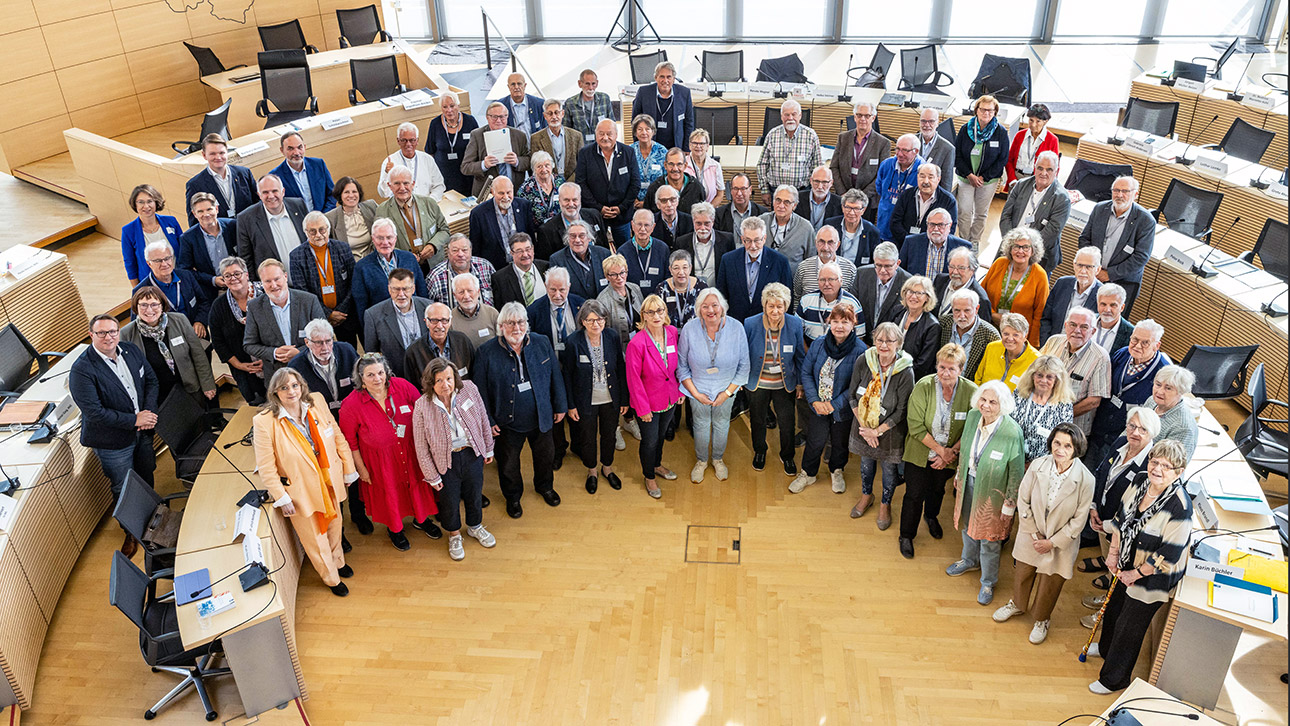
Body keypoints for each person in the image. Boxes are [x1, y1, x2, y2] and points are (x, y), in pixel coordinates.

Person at [1089, 440, 1193, 695]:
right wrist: (1112, 557)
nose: (1157, 469)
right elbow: (1120, 519)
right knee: (1113, 609)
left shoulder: (1180, 507)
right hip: (1125, 562)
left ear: (1178, 472)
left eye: (1166, 466)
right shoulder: (1140, 480)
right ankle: (1104, 649)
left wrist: (1134, 574)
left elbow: (1166, 556)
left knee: (1129, 628)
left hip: (1152, 577)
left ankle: (1114, 679)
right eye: (1154, 461)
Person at [253, 368, 358, 597]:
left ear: (302, 386)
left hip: (328, 480)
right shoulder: (264, 422)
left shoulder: (316, 401)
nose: (291, 391)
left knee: (335, 525)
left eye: (295, 385)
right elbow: (267, 467)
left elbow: (337, 435)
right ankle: (331, 578)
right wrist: (281, 497)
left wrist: (348, 469)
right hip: (300, 491)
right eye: (284, 387)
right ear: (275, 392)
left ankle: (338, 561)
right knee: (315, 538)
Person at [992, 422, 1094, 644]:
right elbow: (1023, 499)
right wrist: (1033, 533)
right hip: (1031, 534)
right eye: (1057, 443)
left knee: (1050, 582)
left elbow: (1079, 521)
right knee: (1023, 573)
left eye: (1067, 446)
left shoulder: (1086, 479)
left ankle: (1041, 618)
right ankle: (1017, 605)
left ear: (1076, 448)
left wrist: (1052, 543)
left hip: (1060, 543)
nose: (1060, 449)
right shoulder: (1037, 465)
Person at [70, 314, 159, 549]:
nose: (109, 337)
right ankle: (131, 532)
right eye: (101, 333)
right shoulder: (81, 370)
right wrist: (134, 420)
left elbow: (151, 381)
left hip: (143, 430)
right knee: (123, 486)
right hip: (113, 442)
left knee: (146, 472)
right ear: (91, 336)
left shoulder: (129, 350)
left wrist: (148, 413)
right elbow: (95, 413)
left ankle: (154, 519)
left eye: (112, 332)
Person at [473, 302, 567, 519]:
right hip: (506, 423)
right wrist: (488, 420)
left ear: (527, 323)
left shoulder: (542, 342)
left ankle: (545, 487)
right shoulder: (486, 352)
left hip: (541, 417)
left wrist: (560, 405)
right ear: (501, 326)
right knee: (508, 464)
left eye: (521, 322)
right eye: (511, 323)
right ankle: (513, 497)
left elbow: (555, 376)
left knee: (545, 457)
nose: (517, 328)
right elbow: (480, 391)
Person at [339, 353, 440, 551]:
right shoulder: (351, 404)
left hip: (412, 454)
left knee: (417, 489)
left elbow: (424, 411)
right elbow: (350, 443)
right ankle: (395, 530)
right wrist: (362, 470)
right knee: (391, 496)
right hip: (380, 463)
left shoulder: (402, 386)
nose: (377, 379)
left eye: (380, 373)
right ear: (360, 378)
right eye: (370, 375)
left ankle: (421, 520)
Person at [946, 380, 1027, 606]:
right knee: (967, 525)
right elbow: (965, 450)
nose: (986, 405)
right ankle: (969, 560)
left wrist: (1010, 505)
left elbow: (1016, 472)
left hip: (994, 492)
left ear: (1003, 405)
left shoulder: (1012, 432)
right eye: (983, 399)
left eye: (993, 402)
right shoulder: (973, 417)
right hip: (969, 482)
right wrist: (960, 475)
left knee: (990, 538)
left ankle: (988, 581)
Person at [412, 358, 497, 561]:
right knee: (449, 501)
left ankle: (475, 527)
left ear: (455, 377)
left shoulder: (469, 389)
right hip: (445, 461)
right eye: (439, 380)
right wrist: (431, 475)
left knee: (474, 494)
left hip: (471, 453)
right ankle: (454, 535)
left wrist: (488, 448)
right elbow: (421, 445)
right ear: (430, 382)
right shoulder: (422, 405)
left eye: (449, 378)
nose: (446, 385)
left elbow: (483, 419)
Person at [900, 343, 976, 559]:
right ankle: (906, 535)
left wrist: (950, 452)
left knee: (937, 489)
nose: (945, 373)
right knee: (914, 494)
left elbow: (972, 426)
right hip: (921, 450)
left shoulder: (971, 391)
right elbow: (914, 425)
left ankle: (931, 517)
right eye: (942, 367)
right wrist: (940, 451)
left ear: (961, 369)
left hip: (952, 453)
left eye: (952, 368)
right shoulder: (923, 386)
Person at [847, 322, 915, 530]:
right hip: (863, 428)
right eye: (879, 340)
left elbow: (902, 410)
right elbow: (852, 397)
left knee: (888, 470)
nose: (884, 345)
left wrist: (877, 431)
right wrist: (866, 430)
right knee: (866, 465)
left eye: (890, 340)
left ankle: (885, 504)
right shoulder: (863, 360)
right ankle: (867, 496)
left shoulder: (905, 372)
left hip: (890, 432)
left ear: (899, 344)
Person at [679, 288, 750, 483]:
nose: (710, 310)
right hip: (697, 389)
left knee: (721, 424)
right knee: (700, 425)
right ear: (699, 309)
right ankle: (701, 461)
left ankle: (718, 459)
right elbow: (682, 366)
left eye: (715, 305)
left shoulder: (737, 328)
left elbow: (744, 366)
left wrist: (727, 393)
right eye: (705, 306)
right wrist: (695, 393)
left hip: (726, 389)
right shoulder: (689, 329)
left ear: (723, 307)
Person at [793, 302, 865, 494]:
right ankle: (808, 473)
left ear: (853, 325)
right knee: (814, 441)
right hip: (817, 406)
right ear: (829, 323)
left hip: (842, 409)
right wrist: (815, 401)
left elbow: (856, 386)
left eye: (845, 321)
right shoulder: (818, 344)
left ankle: (837, 470)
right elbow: (806, 373)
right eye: (835, 321)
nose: (839, 326)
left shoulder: (860, 351)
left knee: (839, 443)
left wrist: (834, 405)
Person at [562, 300, 628, 494]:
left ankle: (607, 468)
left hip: (610, 398)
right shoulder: (573, 341)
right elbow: (567, 375)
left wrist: (624, 399)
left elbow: (620, 368)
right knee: (588, 438)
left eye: (599, 319)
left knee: (609, 436)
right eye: (590, 320)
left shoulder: (612, 336)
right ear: (582, 321)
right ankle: (592, 471)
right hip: (585, 401)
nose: (596, 324)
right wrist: (571, 405)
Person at [743, 283, 806, 475]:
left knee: (787, 423)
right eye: (771, 306)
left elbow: (800, 356)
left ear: (786, 306)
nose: (775, 310)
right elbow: (743, 354)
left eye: (780, 306)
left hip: (784, 384)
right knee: (758, 420)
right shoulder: (750, 323)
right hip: (757, 382)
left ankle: (787, 455)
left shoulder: (794, 323)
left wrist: (800, 383)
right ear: (764, 306)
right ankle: (760, 451)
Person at [1086, 320, 1169, 465]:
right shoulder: (1122, 354)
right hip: (1099, 429)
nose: (1137, 346)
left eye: (1145, 343)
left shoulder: (1163, 373)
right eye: (1135, 339)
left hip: (1124, 439)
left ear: (1157, 346)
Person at [625, 294, 683, 497]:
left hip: (670, 399)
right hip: (648, 404)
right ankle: (649, 476)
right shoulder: (637, 343)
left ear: (665, 313)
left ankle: (657, 465)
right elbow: (634, 380)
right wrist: (643, 409)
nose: (656, 315)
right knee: (649, 441)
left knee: (660, 437)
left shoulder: (672, 332)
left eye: (660, 310)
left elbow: (677, 367)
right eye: (650, 312)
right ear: (644, 315)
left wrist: (679, 390)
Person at [120, 287, 216, 406]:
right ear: (136, 307)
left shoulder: (179, 320)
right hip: (156, 397)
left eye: (154, 304)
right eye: (143, 305)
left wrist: (208, 385)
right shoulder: (126, 333)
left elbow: (198, 355)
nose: (149, 310)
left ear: (162, 305)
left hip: (188, 387)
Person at [528, 268, 583, 464]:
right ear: (545, 287)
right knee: (556, 413)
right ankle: (559, 450)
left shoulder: (580, 305)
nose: (558, 295)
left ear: (569, 287)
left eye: (562, 289)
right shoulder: (534, 310)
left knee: (578, 410)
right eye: (552, 290)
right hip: (549, 372)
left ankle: (579, 445)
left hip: (576, 370)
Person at [1078, 176, 1154, 316]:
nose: (1119, 195)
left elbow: (1141, 257)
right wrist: (1093, 268)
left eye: (1125, 191)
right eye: (1116, 190)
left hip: (1122, 282)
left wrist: (1109, 274)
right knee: (1086, 318)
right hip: (1093, 276)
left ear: (1135, 194)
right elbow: (1084, 239)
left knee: (1110, 323)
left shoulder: (1145, 220)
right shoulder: (1100, 209)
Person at [243, 259, 326, 376]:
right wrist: (274, 352)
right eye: (267, 281)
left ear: (285, 277)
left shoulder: (309, 300)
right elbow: (249, 345)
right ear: (261, 283)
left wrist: (299, 352)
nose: (273, 285)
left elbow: (326, 337)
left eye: (277, 279)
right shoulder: (254, 307)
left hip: (311, 369)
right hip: (277, 375)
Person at [288, 212, 357, 346]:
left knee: (349, 351)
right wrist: (328, 314)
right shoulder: (296, 256)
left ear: (328, 229)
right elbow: (302, 291)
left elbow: (354, 282)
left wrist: (341, 310)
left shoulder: (343, 248)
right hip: (317, 317)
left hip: (345, 315)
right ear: (305, 232)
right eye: (312, 231)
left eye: (322, 230)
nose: (318, 235)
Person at [1039, 307, 1111, 435]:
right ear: (1066, 325)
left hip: (1072, 430)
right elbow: (1034, 373)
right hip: (1038, 419)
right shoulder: (1053, 341)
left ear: (1093, 331)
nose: (1077, 331)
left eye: (1084, 327)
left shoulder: (1101, 357)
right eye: (1073, 325)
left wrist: (1060, 415)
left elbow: (1094, 401)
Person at [999, 150, 1069, 274]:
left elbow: (1052, 231)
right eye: (1040, 168)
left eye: (1049, 170)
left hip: (1040, 255)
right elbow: (1005, 216)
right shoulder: (1021, 185)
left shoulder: (1062, 198)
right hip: (1011, 248)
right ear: (1034, 168)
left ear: (1057, 172)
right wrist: (1012, 245)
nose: (1043, 173)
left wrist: (1025, 250)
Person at [953, 95, 1010, 247]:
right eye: (983, 109)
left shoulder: (1000, 132)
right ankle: (964, 241)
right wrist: (969, 175)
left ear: (995, 112)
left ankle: (975, 242)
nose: (987, 113)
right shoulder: (966, 129)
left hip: (988, 181)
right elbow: (957, 155)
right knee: (964, 212)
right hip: (966, 178)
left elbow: (1003, 159)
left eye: (990, 110)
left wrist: (984, 177)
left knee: (980, 214)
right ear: (976, 110)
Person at [209, 256, 266, 404]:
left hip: (274, 362)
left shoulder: (266, 294)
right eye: (227, 276)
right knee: (257, 407)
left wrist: (268, 358)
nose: (233, 278)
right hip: (244, 370)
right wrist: (239, 365)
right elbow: (218, 342)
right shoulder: (218, 307)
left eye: (237, 274)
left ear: (246, 274)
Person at [350, 218, 430, 323]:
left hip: (413, 318)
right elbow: (361, 306)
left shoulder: (409, 258)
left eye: (389, 237)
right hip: (383, 323)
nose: (385, 242)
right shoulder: (362, 267)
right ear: (373, 239)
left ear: (395, 239)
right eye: (380, 238)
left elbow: (422, 292)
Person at [716, 217, 793, 322]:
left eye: (757, 240)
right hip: (736, 323)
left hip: (768, 325)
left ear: (764, 238)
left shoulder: (780, 262)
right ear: (742, 239)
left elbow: (787, 299)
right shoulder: (728, 260)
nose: (753, 246)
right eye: (748, 240)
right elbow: (721, 296)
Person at [376, 165, 451, 272]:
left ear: (413, 184)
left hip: (434, 265)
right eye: (397, 183)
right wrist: (404, 256)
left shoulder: (429, 203)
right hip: (403, 268)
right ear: (389, 186)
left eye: (406, 183)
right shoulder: (382, 211)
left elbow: (445, 230)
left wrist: (433, 245)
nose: (402, 188)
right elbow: (379, 243)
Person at [982, 228, 1050, 347]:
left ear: (1033, 251)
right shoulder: (999, 264)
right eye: (1016, 246)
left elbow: (1039, 315)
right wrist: (992, 314)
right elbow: (981, 295)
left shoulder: (1040, 276)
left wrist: (1032, 345)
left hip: (1017, 339)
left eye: (1025, 247)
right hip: (988, 327)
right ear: (1010, 248)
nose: (1020, 251)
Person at [577, 119, 641, 244]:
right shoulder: (585, 153)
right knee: (598, 252)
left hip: (622, 215)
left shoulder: (628, 152)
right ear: (596, 135)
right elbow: (581, 183)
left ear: (616, 135)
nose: (605, 137)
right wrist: (599, 208)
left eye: (609, 133)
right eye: (601, 133)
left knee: (624, 252)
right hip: (595, 214)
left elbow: (635, 183)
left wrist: (621, 207)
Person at [236, 175, 308, 278]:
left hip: (309, 278)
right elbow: (245, 259)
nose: (271, 196)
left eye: (275, 191)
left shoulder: (299, 205)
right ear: (259, 195)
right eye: (265, 192)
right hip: (275, 286)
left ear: (283, 192)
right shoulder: (246, 219)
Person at [364, 268, 430, 381]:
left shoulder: (429, 307)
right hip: (396, 378)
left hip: (428, 374)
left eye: (405, 289)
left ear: (413, 289)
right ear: (389, 289)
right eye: (396, 289)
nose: (401, 294)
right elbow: (372, 354)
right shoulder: (373, 315)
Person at [133, 241, 211, 335]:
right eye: (158, 261)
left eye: (167, 258)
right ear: (149, 264)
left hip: (195, 334)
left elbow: (204, 302)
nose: (164, 264)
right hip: (166, 340)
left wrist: (200, 321)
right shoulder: (140, 290)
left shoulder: (186, 276)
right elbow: (138, 325)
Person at [1011, 355, 1077, 463]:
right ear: (1032, 376)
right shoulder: (1019, 394)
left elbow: (1063, 440)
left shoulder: (1064, 405)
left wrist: (1035, 465)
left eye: (1049, 377)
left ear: (1057, 380)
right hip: (1011, 457)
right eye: (1039, 375)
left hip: (1041, 464)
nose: (1043, 380)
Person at [756, 99, 822, 205]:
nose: (790, 118)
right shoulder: (772, 135)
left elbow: (817, 167)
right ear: (781, 117)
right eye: (786, 115)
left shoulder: (811, 136)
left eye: (794, 114)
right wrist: (764, 190)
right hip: (776, 192)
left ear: (800, 116)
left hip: (802, 192)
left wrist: (814, 192)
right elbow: (762, 165)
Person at [460, 102, 531, 197]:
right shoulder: (477, 135)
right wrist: (483, 165)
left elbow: (529, 161)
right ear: (487, 117)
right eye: (494, 117)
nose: (498, 120)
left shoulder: (519, 135)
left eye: (502, 117)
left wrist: (517, 161)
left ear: (507, 117)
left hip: (514, 192)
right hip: (487, 194)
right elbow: (465, 167)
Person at [830, 102, 890, 216]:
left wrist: (861, 197)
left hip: (867, 201)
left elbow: (881, 175)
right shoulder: (843, 138)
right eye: (859, 115)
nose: (862, 119)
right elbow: (834, 167)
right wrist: (843, 193)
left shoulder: (883, 143)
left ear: (873, 118)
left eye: (867, 116)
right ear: (854, 117)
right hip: (843, 198)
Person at [184, 133, 256, 227]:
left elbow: (257, 204)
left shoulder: (244, 173)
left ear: (227, 152)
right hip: (220, 236)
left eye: (221, 153)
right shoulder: (195, 185)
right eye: (212, 154)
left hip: (249, 229)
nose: (218, 157)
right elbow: (194, 223)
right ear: (204, 155)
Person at [121, 184, 182, 287]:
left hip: (178, 277)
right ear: (135, 204)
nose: (146, 206)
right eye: (141, 202)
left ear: (156, 202)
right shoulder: (128, 231)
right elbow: (130, 263)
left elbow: (185, 249)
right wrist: (138, 290)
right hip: (151, 284)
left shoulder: (171, 221)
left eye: (150, 201)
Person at [468, 176, 534, 270]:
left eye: (508, 192)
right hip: (495, 269)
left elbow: (531, 237)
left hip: (522, 265)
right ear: (492, 192)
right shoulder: (478, 214)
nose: (506, 197)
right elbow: (475, 248)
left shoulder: (524, 206)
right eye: (501, 193)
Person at [178, 192, 235, 299]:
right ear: (194, 214)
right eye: (200, 211)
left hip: (240, 284)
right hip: (213, 293)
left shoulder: (232, 226)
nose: (206, 214)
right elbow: (185, 271)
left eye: (209, 209)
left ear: (216, 209)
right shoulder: (187, 238)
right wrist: (212, 280)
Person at [1039, 247, 1102, 344]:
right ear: (1074, 265)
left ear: (1098, 270)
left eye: (1089, 267)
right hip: (1053, 344)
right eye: (1080, 265)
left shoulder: (1102, 294)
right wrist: (1047, 344)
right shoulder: (1062, 283)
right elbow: (1046, 318)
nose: (1083, 271)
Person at [889, 163, 957, 250]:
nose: (926, 181)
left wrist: (924, 242)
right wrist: (909, 241)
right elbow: (895, 222)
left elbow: (950, 228)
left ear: (938, 179)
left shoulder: (948, 200)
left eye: (930, 177)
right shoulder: (906, 195)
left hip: (932, 248)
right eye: (922, 176)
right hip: (904, 245)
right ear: (917, 177)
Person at [404, 302, 475, 384]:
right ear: (426, 322)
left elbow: (473, 374)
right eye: (434, 321)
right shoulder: (413, 352)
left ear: (450, 321)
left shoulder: (463, 342)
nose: (440, 326)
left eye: (444, 320)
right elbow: (412, 388)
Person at [425, 93, 479, 197]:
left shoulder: (470, 121)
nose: (449, 110)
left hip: (468, 176)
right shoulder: (435, 124)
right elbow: (429, 152)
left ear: (458, 106)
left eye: (452, 106)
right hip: (445, 177)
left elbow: (480, 147)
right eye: (445, 107)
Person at [631, 61, 694, 151]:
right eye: (662, 77)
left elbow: (689, 123)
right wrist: (639, 146)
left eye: (669, 77)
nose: (665, 81)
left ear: (673, 79)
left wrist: (686, 149)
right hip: (650, 147)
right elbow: (635, 122)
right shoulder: (643, 92)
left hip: (676, 147)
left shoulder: (684, 93)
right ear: (656, 78)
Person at [939, 288, 1001, 380]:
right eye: (957, 310)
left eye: (967, 311)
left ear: (976, 309)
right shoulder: (942, 324)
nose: (962, 315)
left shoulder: (990, 335)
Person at [798, 260, 863, 344]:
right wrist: (810, 353)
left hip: (842, 353)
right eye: (822, 280)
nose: (826, 284)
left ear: (841, 280)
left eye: (831, 279)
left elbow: (860, 337)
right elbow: (797, 332)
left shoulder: (853, 304)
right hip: (810, 352)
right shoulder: (806, 301)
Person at [537, 182, 608, 259]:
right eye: (566, 200)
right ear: (559, 201)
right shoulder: (547, 231)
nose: (571, 204)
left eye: (574, 200)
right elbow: (546, 263)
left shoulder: (594, 216)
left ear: (580, 200)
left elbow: (604, 247)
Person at [378, 122, 446, 200]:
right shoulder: (390, 161)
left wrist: (430, 201)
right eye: (404, 140)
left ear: (417, 141)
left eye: (412, 140)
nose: (408, 144)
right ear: (398, 141)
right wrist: (387, 174)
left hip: (427, 205)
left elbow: (439, 185)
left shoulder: (427, 159)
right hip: (401, 208)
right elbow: (383, 193)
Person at [856, 242, 911, 341]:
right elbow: (853, 309)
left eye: (887, 266)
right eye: (878, 265)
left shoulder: (908, 282)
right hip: (862, 339)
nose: (882, 270)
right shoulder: (861, 274)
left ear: (897, 264)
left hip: (890, 343)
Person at [874, 134, 923, 242]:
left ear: (916, 151)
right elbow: (879, 188)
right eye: (897, 149)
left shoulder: (922, 171)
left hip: (905, 230)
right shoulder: (886, 165)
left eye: (905, 150)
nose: (899, 154)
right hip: (884, 225)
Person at [427, 234, 496, 309]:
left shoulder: (485, 266)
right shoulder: (436, 276)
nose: (460, 254)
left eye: (464, 250)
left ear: (471, 250)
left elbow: (499, 295)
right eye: (455, 250)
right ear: (448, 252)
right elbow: (428, 307)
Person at [975, 312, 1040, 392]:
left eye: (1015, 335)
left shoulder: (1036, 360)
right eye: (1006, 334)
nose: (1010, 338)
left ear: (1025, 336)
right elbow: (978, 378)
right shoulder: (992, 347)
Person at [673, 202, 734, 287]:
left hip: (718, 293)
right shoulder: (682, 242)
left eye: (706, 223)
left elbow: (731, 270)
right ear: (693, 221)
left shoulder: (727, 240)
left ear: (713, 221)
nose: (702, 228)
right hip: (691, 293)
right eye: (698, 223)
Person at [271, 131, 335, 213]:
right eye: (290, 149)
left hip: (324, 218)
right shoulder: (275, 176)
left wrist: (323, 216)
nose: (296, 153)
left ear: (304, 147)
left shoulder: (318, 165)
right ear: (282, 150)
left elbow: (332, 193)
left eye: (299, 147)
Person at [898, 208, 970, 279]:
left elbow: (969, 278)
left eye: (940, 225)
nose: (935, 229)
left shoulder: (963, 247)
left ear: (949, 226)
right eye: (932, 224)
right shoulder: (911, 242)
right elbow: (900, 273)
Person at [551, 220, 612, 301]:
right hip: (575, 309)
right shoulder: (557, 260)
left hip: (603, 306)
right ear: (568, 239)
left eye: (581, 236)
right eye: (573, 236)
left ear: (589, 238)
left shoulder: (604, 254)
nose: (577, 240)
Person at [894, 275, 942, 380]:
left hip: (910, 378)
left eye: (919, 293)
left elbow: (923, 364)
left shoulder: (932, 326)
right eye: (910, 291)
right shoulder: (897, 312)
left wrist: (897, 375)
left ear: (927, 298)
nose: (913, 296)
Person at [794, 225, 858, 303]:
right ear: (816, 243)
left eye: (830, 242)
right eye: (821, 242)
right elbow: (797, 297)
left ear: (838, 245)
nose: (825, 247)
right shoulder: (803, 268)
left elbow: (853, 300)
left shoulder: (850, 269)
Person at [1147, 365, 1199, 459]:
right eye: (1158, 384)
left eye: (1168, 388)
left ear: (1181, 392)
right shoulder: (1151, 401)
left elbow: (1169, 466)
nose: (1160, 391)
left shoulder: (1183, 428)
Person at [597, 253, 645, 355]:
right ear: (607, 276)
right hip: (618, 350)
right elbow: (604, 333)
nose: (619, 278)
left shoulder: (635, 289)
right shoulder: (602, 300)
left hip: (640, 344)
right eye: (614, 274)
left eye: (622, 272)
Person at [1005, 103, 1059, 191]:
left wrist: (1043, 185)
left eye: (1038, 121)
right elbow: (1009, 159)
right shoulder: (1020, 135)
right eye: (1031, 120)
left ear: (1045, 121)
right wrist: (1012, 180)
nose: (1033, 125)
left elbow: (1054, 167)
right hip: (1016, 178)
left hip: (1037, 181)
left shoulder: (1052, 140)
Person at [823, 189, 881, 269]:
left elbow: (874, 263)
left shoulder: (872, 232)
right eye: (848, 207)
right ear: (843, 207)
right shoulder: (830, 225)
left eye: (856, 209)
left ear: (863, 210)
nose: (851, 213)